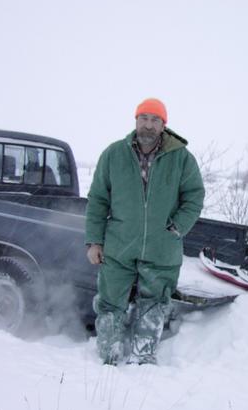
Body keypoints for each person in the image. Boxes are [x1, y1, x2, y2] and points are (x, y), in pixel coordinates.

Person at [85, 98, 205, 365]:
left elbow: (194, 197)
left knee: (153, 303)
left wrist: (177, 227)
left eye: (155, 120)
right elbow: (97, 200)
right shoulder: (114, 154)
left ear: (164, 125)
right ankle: (109, 355)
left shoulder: (181, 159)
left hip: (162, 248)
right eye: (144, 118)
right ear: (135, 120)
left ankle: (143, 355)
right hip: (119, 244)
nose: (148, 125)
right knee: (110, 302)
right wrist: (94, 241)